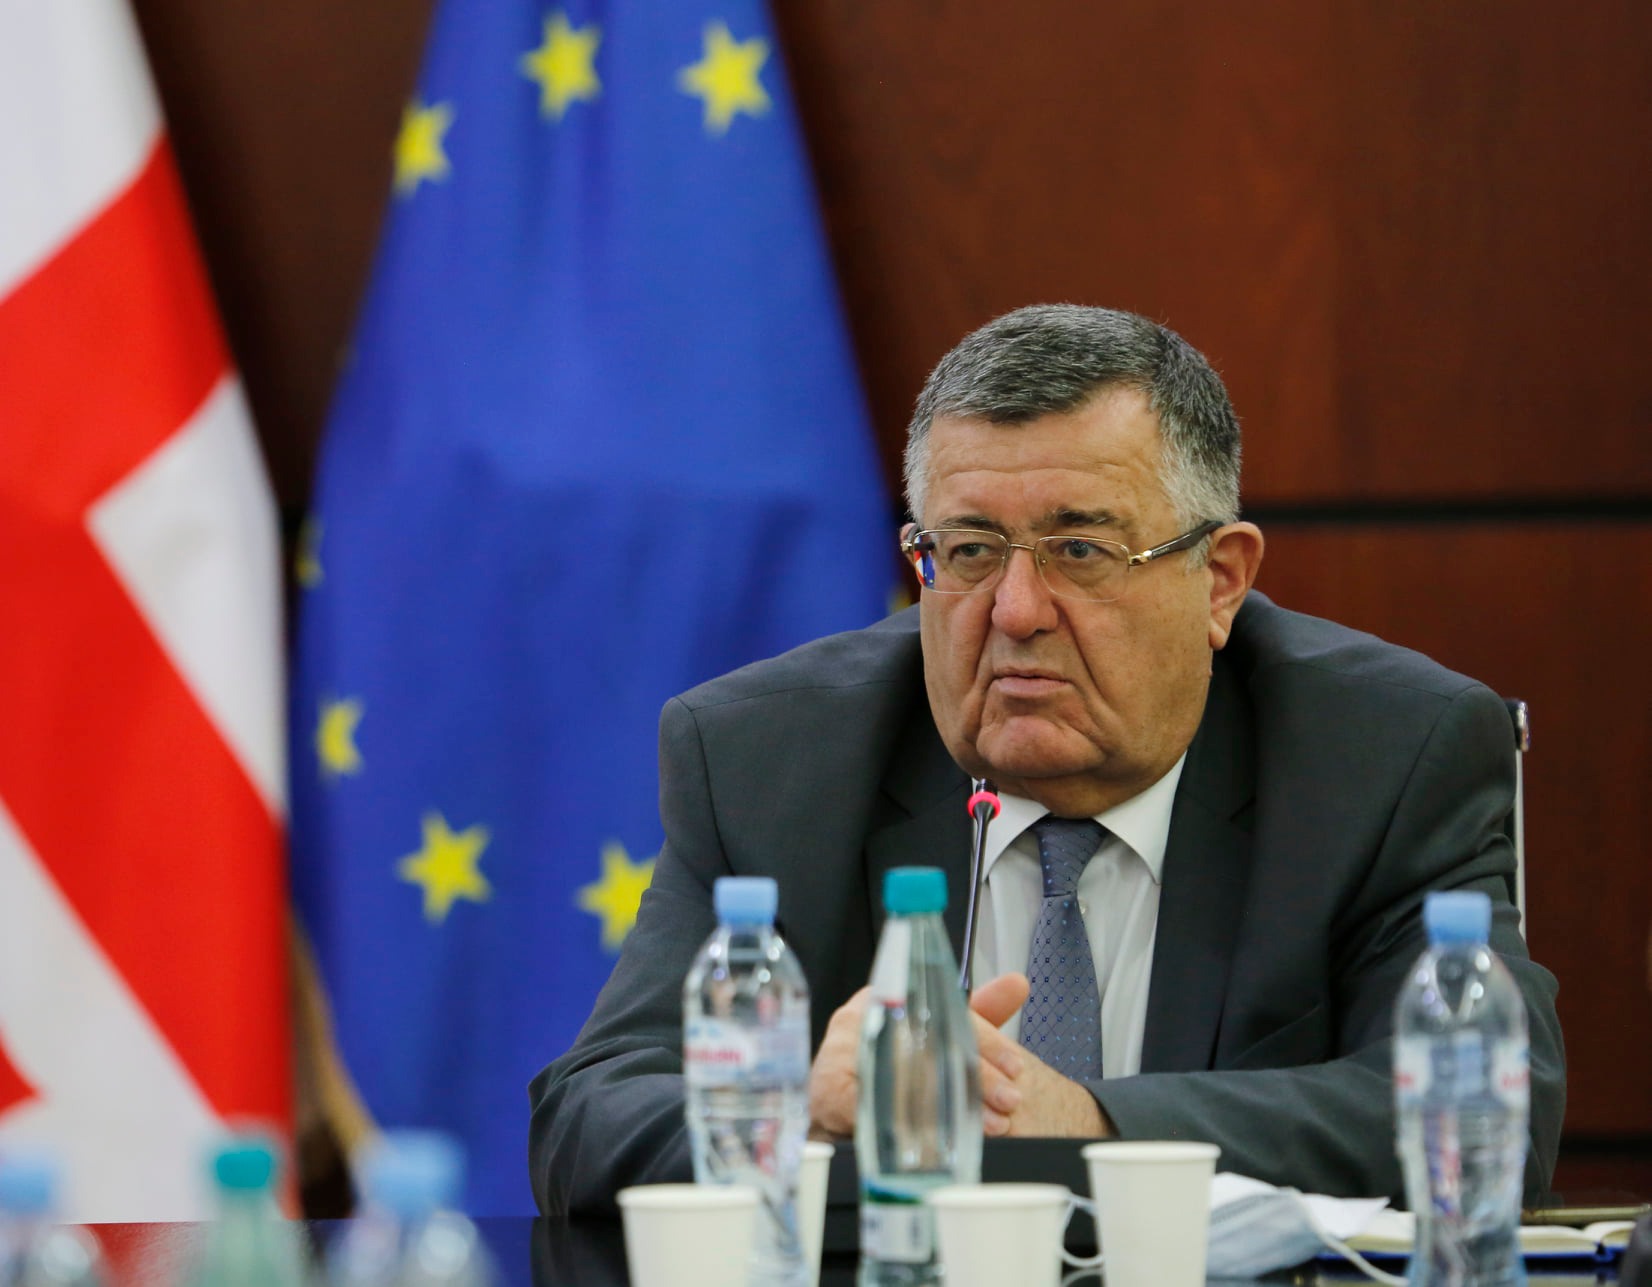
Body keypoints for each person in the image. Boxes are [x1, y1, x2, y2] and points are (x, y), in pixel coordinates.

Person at [529, 304, 1565, 1215]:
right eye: (970, 551)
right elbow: (586, 1118)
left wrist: (1084, 1126)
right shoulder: (770, 758)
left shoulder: (1385, 754)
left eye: (1080, 550)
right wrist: (796, 1113)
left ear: (1219, 582)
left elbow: (1488, 1108)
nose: (1015, 612)